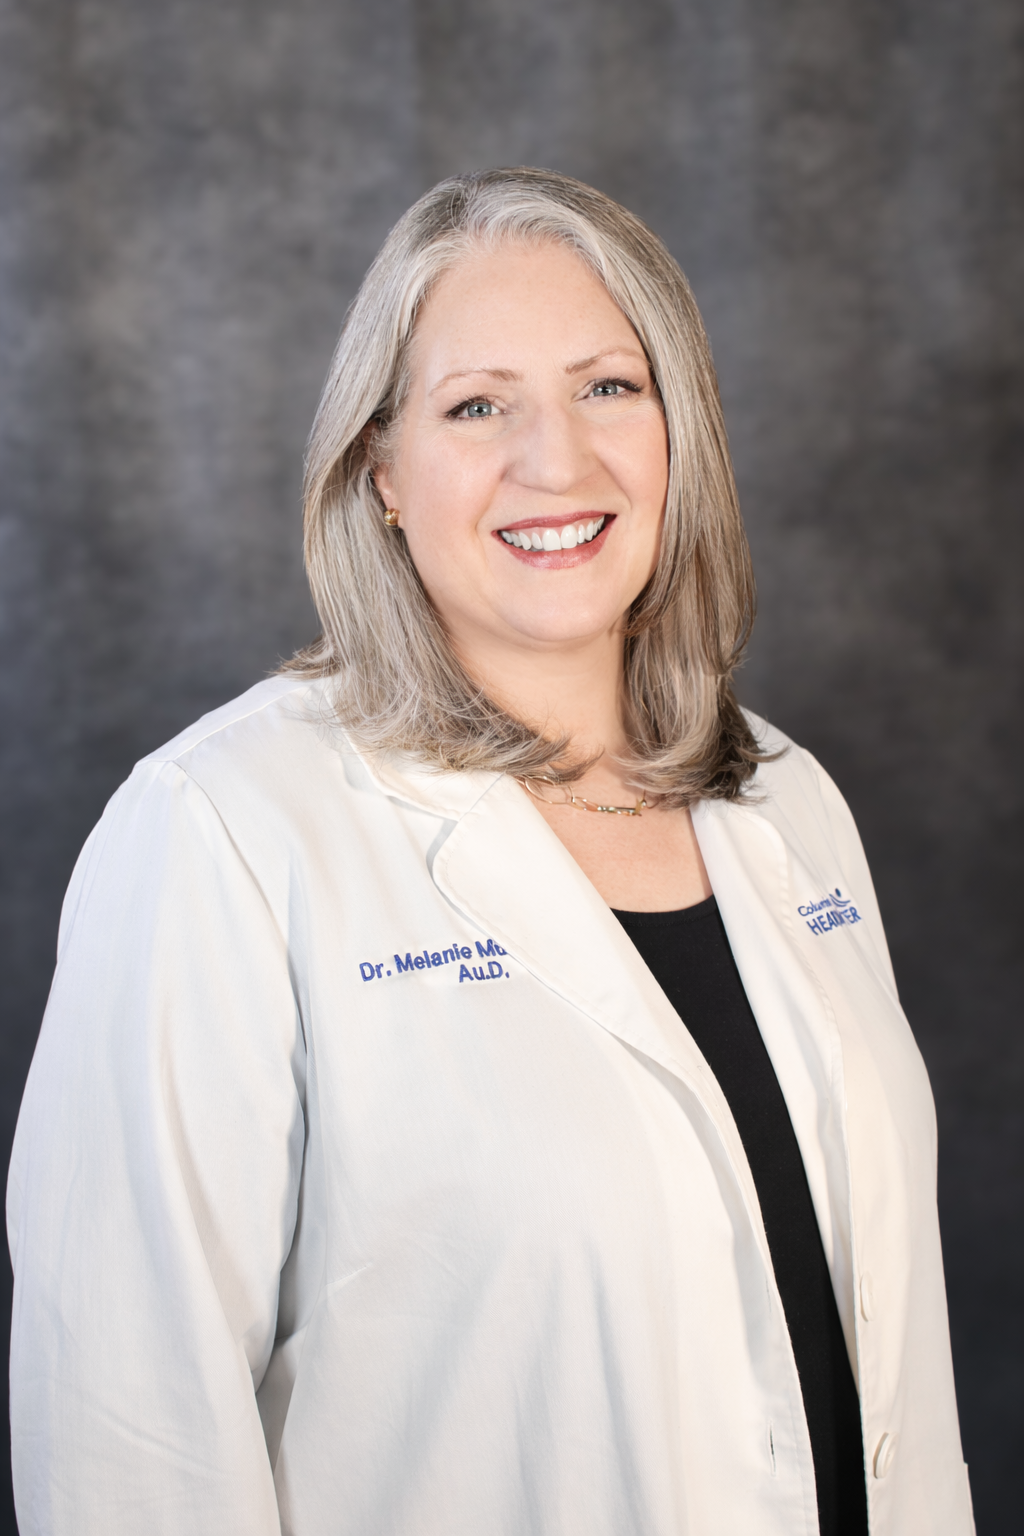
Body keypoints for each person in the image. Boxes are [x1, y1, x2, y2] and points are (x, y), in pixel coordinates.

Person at [7, 168, 973, 1536]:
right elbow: (129, 1438)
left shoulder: (785, 799)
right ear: (382, 471)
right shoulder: (222, 833)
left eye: (608, 387)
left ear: (680, 430)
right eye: (477, 406)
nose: (557, 462)